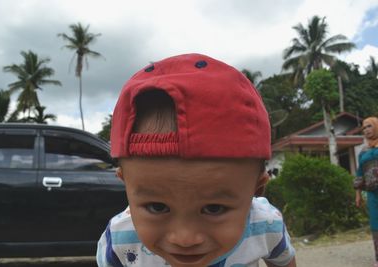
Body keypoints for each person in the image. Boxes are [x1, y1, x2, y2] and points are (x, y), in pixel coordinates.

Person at [97, 53, 296, 267]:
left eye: (214, 209)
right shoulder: (119, 241)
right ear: (126, 183)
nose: (184, 239)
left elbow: (284, 261)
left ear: (256, 190)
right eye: (156, 207)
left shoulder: (265, 225)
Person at [354, 117, 378, 267]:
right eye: (364, 128)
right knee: (376, 224)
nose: (366, 130)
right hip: (372, 193)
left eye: (369, 126)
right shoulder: (363, 151)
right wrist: (357, 194)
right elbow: (359, 173)